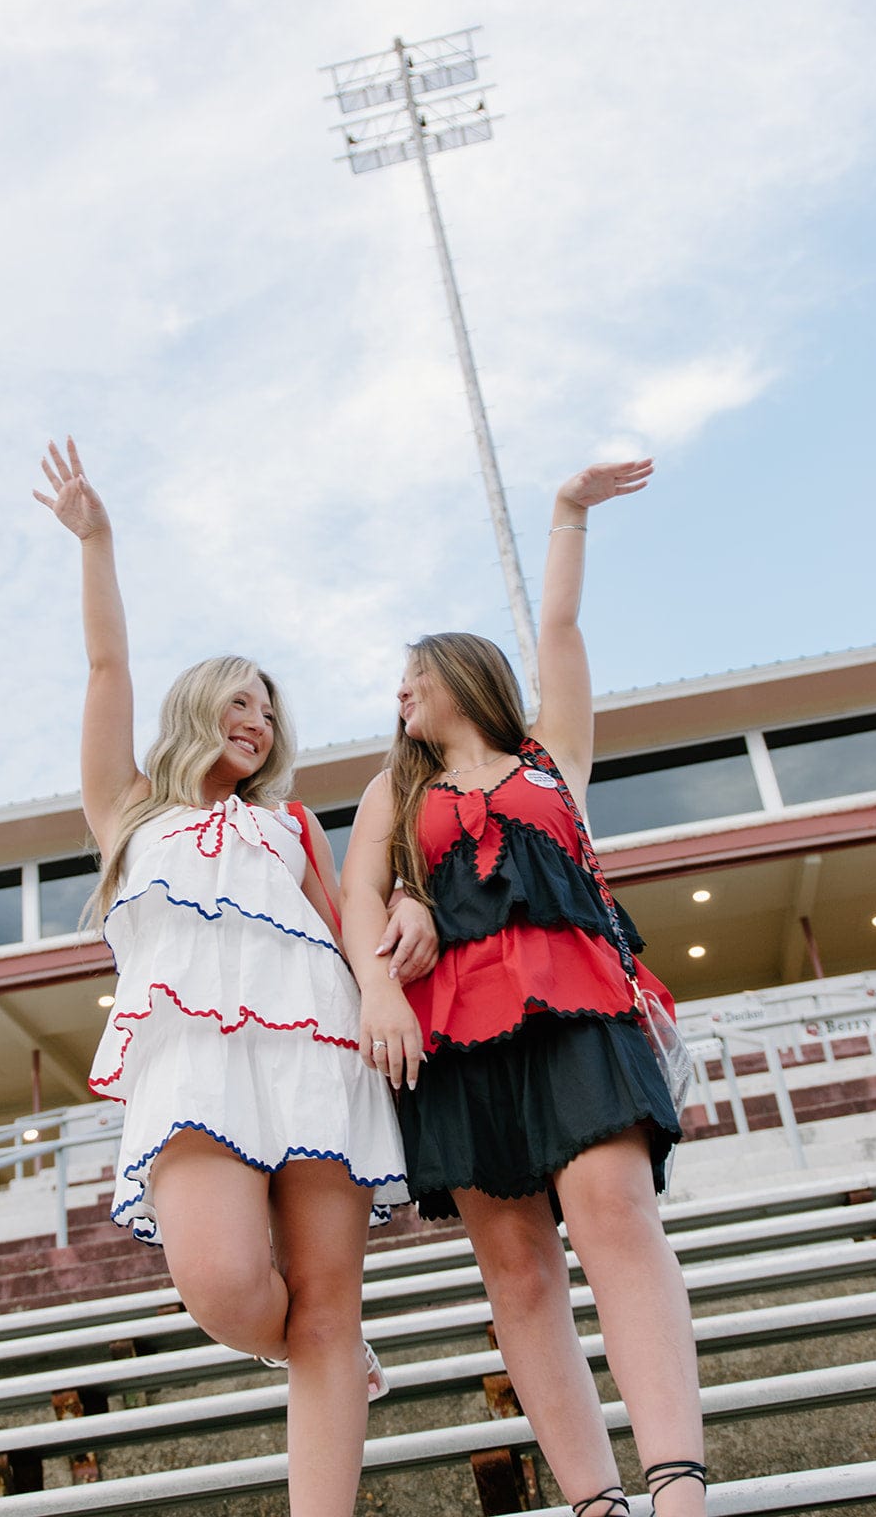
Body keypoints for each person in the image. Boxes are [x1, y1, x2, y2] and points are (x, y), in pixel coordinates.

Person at [34, 437, 436, 1517]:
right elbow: (105, 670)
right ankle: (335, 1364)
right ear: (197, 708)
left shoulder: (290, 822)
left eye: (269, 709)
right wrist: (97, 541)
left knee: (326, 1304)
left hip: (319, 1054)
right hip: (193, 1063)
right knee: (221, 1286)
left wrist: (402, 921)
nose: (256, 721)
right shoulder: (128, 810)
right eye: (238, 701)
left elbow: (347, 923)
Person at [341, 460, 707, 1517]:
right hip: (451, 1036)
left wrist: (565, 516)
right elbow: (358, 892)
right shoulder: (392, 788)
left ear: (465, 673)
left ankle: (674, 1486)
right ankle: (594, 1502)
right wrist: (376, 992)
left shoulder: (550, 756)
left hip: (577, 1004)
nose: (400, 690)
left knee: (613, 1215)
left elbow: (560, 629)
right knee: (517, 1270)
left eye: (415, 672)